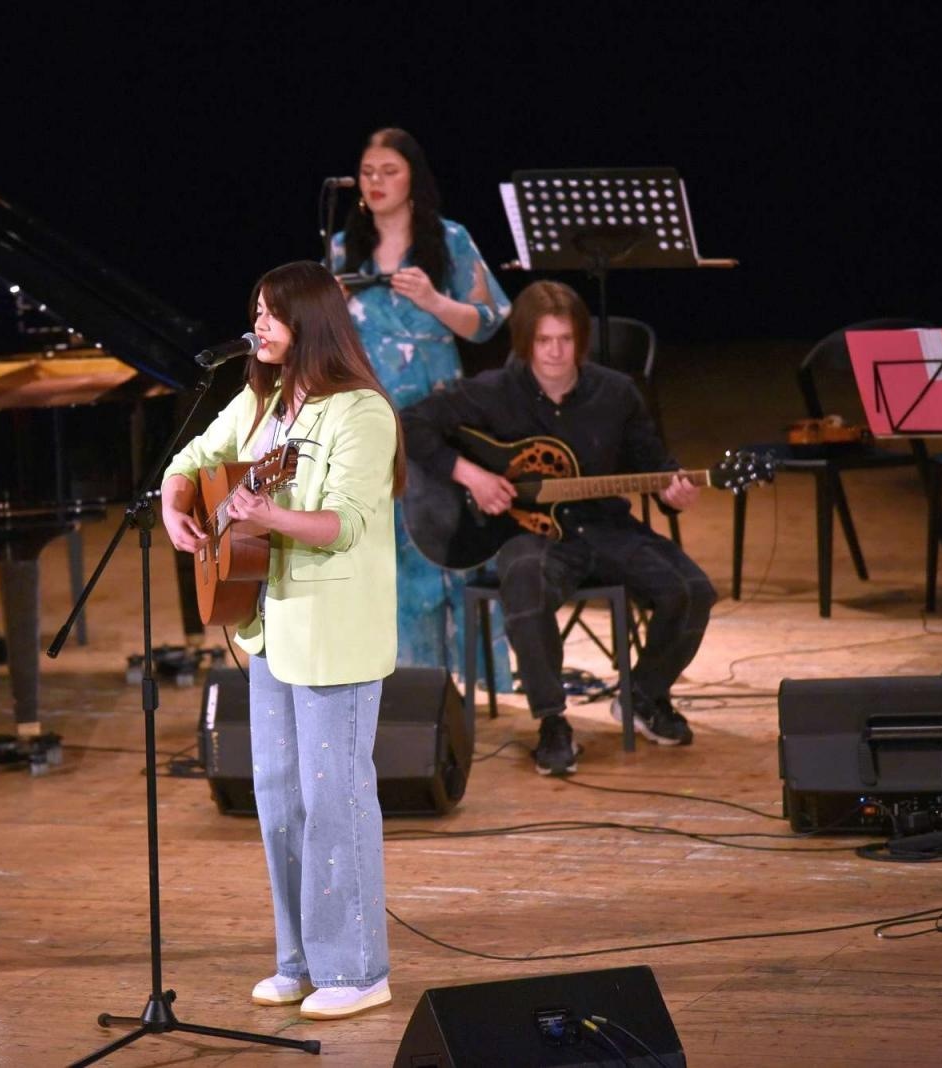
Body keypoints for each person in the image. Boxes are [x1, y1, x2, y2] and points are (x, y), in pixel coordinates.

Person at [162, 261, 402, 1021]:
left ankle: (360, 968)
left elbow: (345, 526)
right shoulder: (262, 405)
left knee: (336, 801)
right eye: (255, 311)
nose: (257, 326)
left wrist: (266, 519)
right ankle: (298, 960)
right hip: (269, 629)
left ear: (311, 324)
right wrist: (176, 501)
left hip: (334, 634)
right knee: (279, 800)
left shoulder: (361, 413)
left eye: (270, 315)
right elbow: (195, 457)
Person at [401, 280, 715, 776]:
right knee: (524, 580)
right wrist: (472, 475)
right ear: (525, 342)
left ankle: (645, 697)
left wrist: (672, 492)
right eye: (543, 341)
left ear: (581, 341)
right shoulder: (494, 393)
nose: (554, 352)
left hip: (606, 526)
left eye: (565, 340)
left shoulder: (616, 393)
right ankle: (552, 722)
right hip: (529, 533)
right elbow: (409, 424)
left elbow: (654, 464)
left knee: (694, 589)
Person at [330, 127, 513, 687]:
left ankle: (461, 689)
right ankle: (403, 683)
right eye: (368, 173)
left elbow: (489, 322)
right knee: (385, 549)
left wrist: (434, 301)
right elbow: (323, 337)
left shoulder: (449, 240)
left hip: (435, 409)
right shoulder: (343, 247)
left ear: (414, 179)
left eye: (390, 171)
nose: (377, 182)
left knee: (443, 537)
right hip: (367, 410)